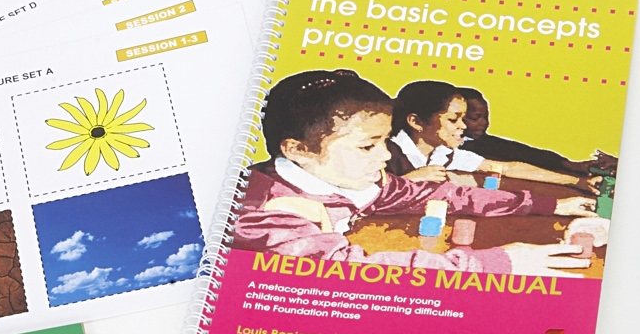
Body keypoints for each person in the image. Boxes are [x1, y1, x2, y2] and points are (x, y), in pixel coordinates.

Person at [230, 69, 593, 275]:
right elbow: (351, 272)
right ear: (298, 150)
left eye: (384, 140)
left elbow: (443, 194)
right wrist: (502, 261)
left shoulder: (358, 180)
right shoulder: (264, 214)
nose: (385, 155)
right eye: (367, 146)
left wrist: (549, 205)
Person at [385, 80, 588, 188]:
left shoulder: (443, 154)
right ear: (416, 122)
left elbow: (509, 168)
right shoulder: (385, 152)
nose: (462, 126)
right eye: (453, 119)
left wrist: (577, 181)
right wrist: (408, 181)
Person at [454, 86, 605, 176]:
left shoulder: (483, 143)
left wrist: (567, 164)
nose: (484, 123)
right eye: (475, 117)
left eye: (486, 117)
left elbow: (525, 152)